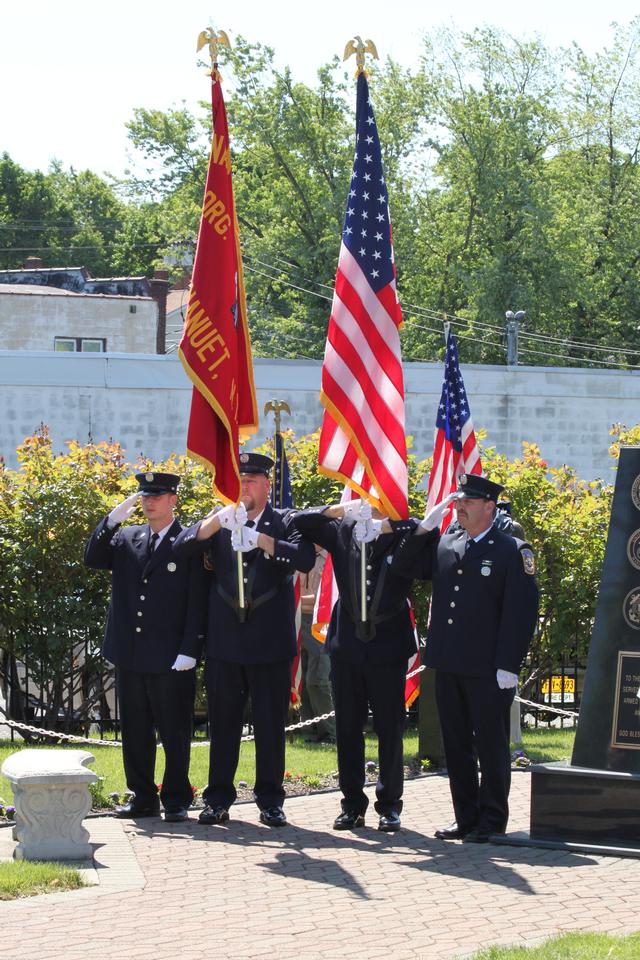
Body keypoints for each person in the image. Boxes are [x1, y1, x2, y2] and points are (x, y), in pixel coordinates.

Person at [390, 473, 539, 843]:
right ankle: (466, 817)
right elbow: (404, 566)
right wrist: (424, 528)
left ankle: (491, 820)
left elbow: (520, 613)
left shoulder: (511, 550)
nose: (459, 507)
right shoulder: (448, 542)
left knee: (490, 745)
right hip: (449, 661)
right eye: (458, 502)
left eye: (467, 502)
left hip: (489, 667)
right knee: (455, 744)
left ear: (489, 506)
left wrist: (509, 664)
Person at [173, 452, 315, 828]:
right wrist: (214, 523)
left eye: (252, 480)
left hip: (269, 644)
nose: (245, 486)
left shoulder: (285, 521)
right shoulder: (219, 520)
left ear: (267, 485)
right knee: (223, 726)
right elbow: (182, 546)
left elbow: (303, 557)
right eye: (240, 480)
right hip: (226, 644)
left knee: (270, 727)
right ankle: (217, 799)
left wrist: (260, 540)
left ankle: (270, 800)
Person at [84, 471, 208, 822]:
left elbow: (196, 601)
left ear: (173, 500)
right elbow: (92, 558)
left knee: (174, 730)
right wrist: (110, 521)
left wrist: (190, 648)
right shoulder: (127, 537)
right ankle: (142, 796)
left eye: (157, 496)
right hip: (131, 652)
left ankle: (176, 797)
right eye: (145, 496)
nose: (149, 501)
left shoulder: (188, 541)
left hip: (171, 656)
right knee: (135, 731)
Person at [294, 499, 416, 832]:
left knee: (389, 729)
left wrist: (385, 526)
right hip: (347, 644)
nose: (372, 500)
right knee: (348, 728)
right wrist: (340, 509)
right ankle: (352, 805)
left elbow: (423, 532)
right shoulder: (344, 530)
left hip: (388, 644)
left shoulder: (402, 532)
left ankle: (389, 805)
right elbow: (301, 522)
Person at [299, 546, 336, 743]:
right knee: (302, 680)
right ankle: (309, 731)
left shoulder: (329, 558)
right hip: (297, 619)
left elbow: (326, 598)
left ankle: (329, 732)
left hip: (320, 621)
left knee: (318, 679)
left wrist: (295, 599)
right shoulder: (299, 554)